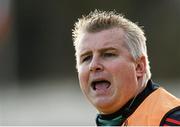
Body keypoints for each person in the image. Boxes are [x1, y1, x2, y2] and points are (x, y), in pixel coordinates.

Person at [72, 10, 180, 126]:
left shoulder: (172, 121)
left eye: (108, 54)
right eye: (86, 58)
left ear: (139, 67)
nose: (93, 65)